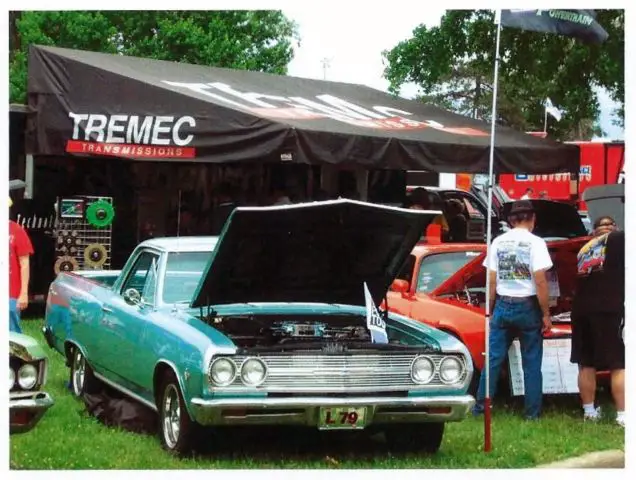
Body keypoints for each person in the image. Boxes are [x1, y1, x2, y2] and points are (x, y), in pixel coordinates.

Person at [472, 200, 553, 420]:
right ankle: (532, 413)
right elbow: (541, 281)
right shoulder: (536, 243)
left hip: (502, 304)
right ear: (532, 219)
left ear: (511, 220)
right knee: (532, 362)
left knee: (494, 359)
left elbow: (491, 278)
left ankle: (481, 408)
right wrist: (546, 314)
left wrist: (490, 308)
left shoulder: (498, 242)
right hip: (528, 305)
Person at [570, 223, 624, 427]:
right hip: (610, 308)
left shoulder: (583, 250)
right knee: (619, 362)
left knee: (586, 363)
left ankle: (589, 411)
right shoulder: (619, 239)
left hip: (581, 310)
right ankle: (624, 415)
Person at [9, 197, 34, 333]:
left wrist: (23, 293)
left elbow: (24, 263)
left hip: (11, 294)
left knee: (12, 334)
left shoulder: (16, 230)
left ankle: (13, 355)